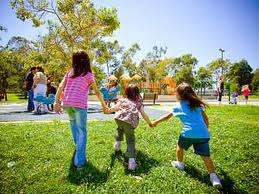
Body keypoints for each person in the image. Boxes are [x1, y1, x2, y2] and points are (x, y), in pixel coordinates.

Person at [152, 82, 222, 187]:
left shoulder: (178, 105)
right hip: (203, 134)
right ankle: (214, 178)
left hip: (188, 133)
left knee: (180, 146)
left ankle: (180, 164)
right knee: (206, 156)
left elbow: (167, 117)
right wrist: (206, 129)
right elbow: (206, 119)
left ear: (178, 95)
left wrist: (155, 122)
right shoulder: (196, 104)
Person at [54, 51, 107, 170]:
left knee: (74, 127)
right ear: (87, 61)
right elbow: (97, 92)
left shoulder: (69, 72)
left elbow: (61, 87)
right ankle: (80, 163)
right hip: (79, 106)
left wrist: (56, 102)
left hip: (67, 104)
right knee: (82, 131)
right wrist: (104, 105)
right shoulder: (88, 74)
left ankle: (78, 149)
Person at [103, 84, 153, 170]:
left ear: (126, 93)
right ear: (137, 94)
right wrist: (150, 123)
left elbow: (114, 108)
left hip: (119, 119)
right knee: (130, 140)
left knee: (120, 129)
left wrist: (107, 110)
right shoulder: (138, 102)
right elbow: (143, 114)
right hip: (129, 121)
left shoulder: (123, 100)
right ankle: (132, 163)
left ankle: (117, 145)